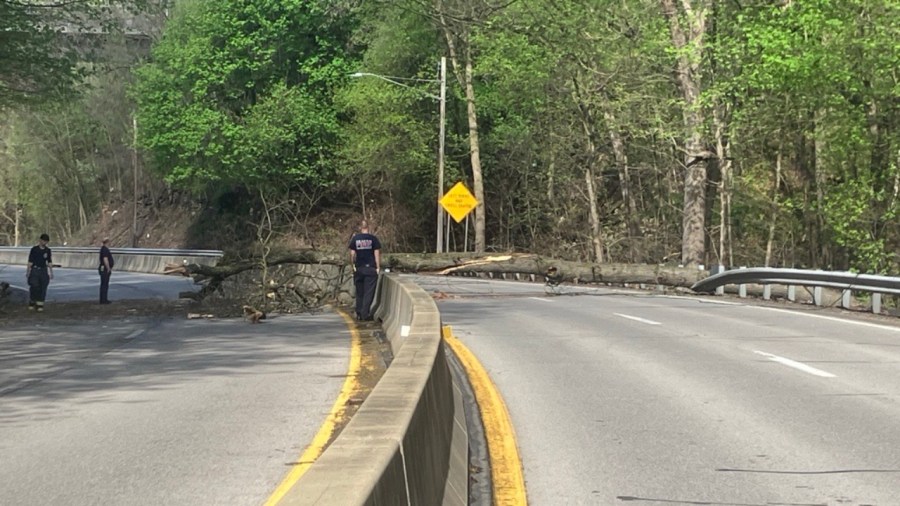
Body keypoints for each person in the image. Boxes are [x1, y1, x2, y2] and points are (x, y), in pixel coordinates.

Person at [348, 219, 381, 321]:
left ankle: (358, 312)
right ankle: (364, 314)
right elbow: (377, 254)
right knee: (368, 293)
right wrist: (378, 267)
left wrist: (353, 266)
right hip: (370, 268)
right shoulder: (373, 239)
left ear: (360, 228)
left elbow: (352, 255)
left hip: (359, 269)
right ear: (368, 227)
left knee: (359, 292)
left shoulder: (355, 239)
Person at [26, 233, 53, 312]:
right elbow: (30, 261)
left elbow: (49, 262)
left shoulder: (48, 251)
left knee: (43, 287)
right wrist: (28, 271)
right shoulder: (34, 249)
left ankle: (40, 305)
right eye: (43, 241)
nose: (44, 243)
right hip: (35, 270)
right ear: (40, 240)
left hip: (43, 270)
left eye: (46, 242)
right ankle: (32, 301)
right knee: (34, 286)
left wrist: (51, 272)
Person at [98, 237, 114, 304]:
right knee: (105, 284)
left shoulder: (103, 249)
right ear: (107, 242)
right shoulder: (105, 250)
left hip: (102, 268)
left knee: (103, 284)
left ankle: (103, 299)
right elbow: (105, 259)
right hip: (104, 269)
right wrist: (108, 268)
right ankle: (104, 300)